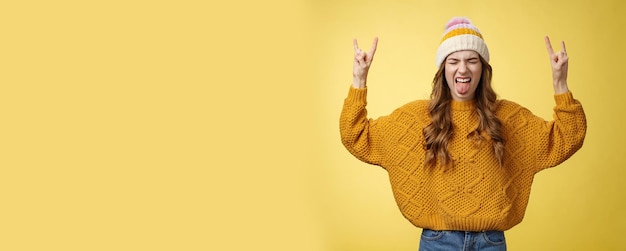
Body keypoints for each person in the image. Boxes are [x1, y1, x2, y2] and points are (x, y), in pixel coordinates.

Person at [339, 17, 586, 250]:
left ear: (483, 68)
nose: (463, 68)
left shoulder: (508, 117)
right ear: (443, 69)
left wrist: (560, 83)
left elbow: (568, 136)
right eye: (453, 61)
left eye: (472, 60)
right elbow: (356, 135)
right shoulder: (416, 118)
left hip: (491, 243)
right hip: (437, 242)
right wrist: (359, 78)